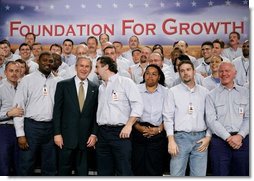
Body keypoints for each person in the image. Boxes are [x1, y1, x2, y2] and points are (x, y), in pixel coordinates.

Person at [95, 56, 143, 176]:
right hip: (102, 134)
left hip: (120, 132)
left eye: (97, 67)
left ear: (106, 67)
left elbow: (138, 105)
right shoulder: (101, 87)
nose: (95, 70)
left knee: (124, 170)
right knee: (103, 171)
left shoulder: (126, 82)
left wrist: (129, 125)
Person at [13, 51, 60, 176]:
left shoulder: (57, 82)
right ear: (38, 61)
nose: (47, 63)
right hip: (31, 127)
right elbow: (18, 108)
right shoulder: (27, 80)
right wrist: (20, 134)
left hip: (50, 128)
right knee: (26, 164)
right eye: (44, 60)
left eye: (50, 61)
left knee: (50, 166)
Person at [163, 60, 211, 176]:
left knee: (199, 175)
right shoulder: (172, 92)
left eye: (188, 70)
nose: (185, 73)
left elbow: (210, 117)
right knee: (176, 174)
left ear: (194, 71)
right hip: (180, 138)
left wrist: (208, 137)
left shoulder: (205, 92)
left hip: (201, 138)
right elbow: (168, 117)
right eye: (182, 71)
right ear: (179, 73)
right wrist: (171, 140)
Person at [53, 56, 98, 176]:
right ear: (76, 67)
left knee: (83, 173)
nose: (84, 69)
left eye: (87, 66)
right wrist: (57, 133)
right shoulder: (63, 85)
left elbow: (95, 114)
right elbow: (57, 111)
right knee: (63, 171)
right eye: (81, 66)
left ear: (91, 69)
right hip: (65, 138)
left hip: (86, 139)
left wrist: (94, 134)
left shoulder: (95, 88)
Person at [205, 62, 249, 176]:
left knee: (242, 174)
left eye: (227, 71)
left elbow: (250, 118)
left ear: (235, 73)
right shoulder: (211, 95)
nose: (224, 74)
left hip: (242, 141)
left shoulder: (246, 93)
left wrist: (240, 136)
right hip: (220, 142)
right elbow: (211, 120)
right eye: (221, 71)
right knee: (220, 175)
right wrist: (229, 138)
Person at [132, 64, 168, 176]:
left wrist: (158, 129)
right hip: (138, 131)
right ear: (144, 75)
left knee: (155, 167)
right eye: (147, 73)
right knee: (138, 166)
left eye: (154, 74)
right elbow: (129, 111)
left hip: (158, 133)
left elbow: (169, 115)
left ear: (159, 77)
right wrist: (138, 127)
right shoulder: (136, 89)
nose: (150, 76)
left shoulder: (166, 92)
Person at [0, 61, 23, 175]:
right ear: (5, 72)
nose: (14, 73)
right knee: (4, 164)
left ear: (20, 72)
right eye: (11, 70)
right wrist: (9, 113)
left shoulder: (24, 88)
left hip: (22, 131)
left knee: (20, 164)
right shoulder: (1, 88)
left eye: (17, 71)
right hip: (5, 130)